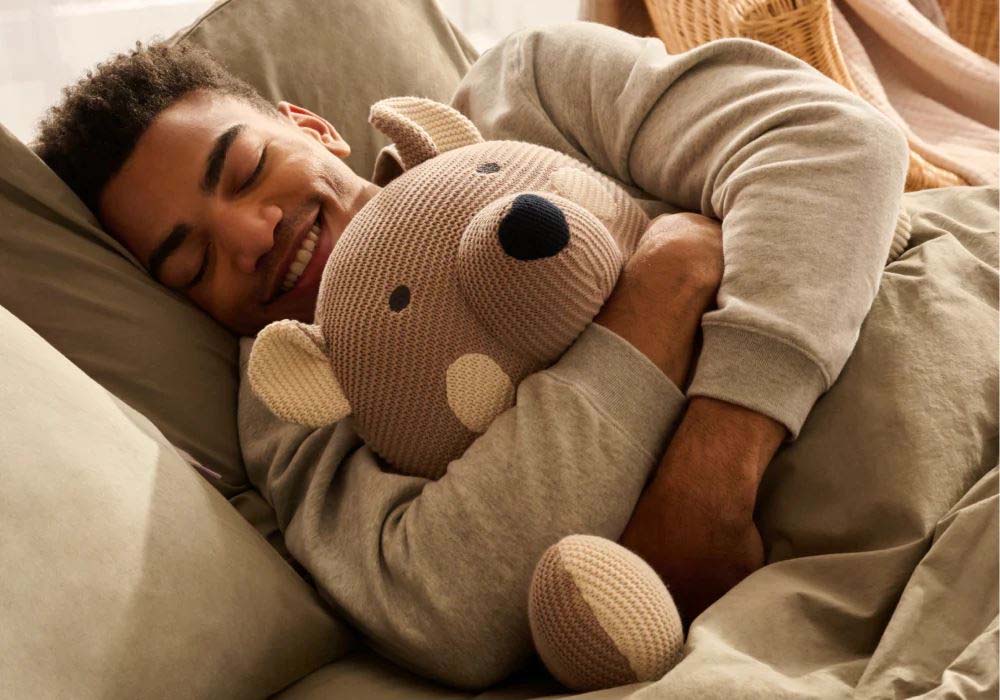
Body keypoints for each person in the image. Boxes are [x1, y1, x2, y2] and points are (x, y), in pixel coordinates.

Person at [32, 21, 908, 688]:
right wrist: (660, 294)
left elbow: (833, 140)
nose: (250, 237)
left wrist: (717, 464)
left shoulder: (525, 92)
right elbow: (443, 609)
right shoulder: (289, 397)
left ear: (314, 127)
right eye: (193, 263)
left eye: (251, 167)